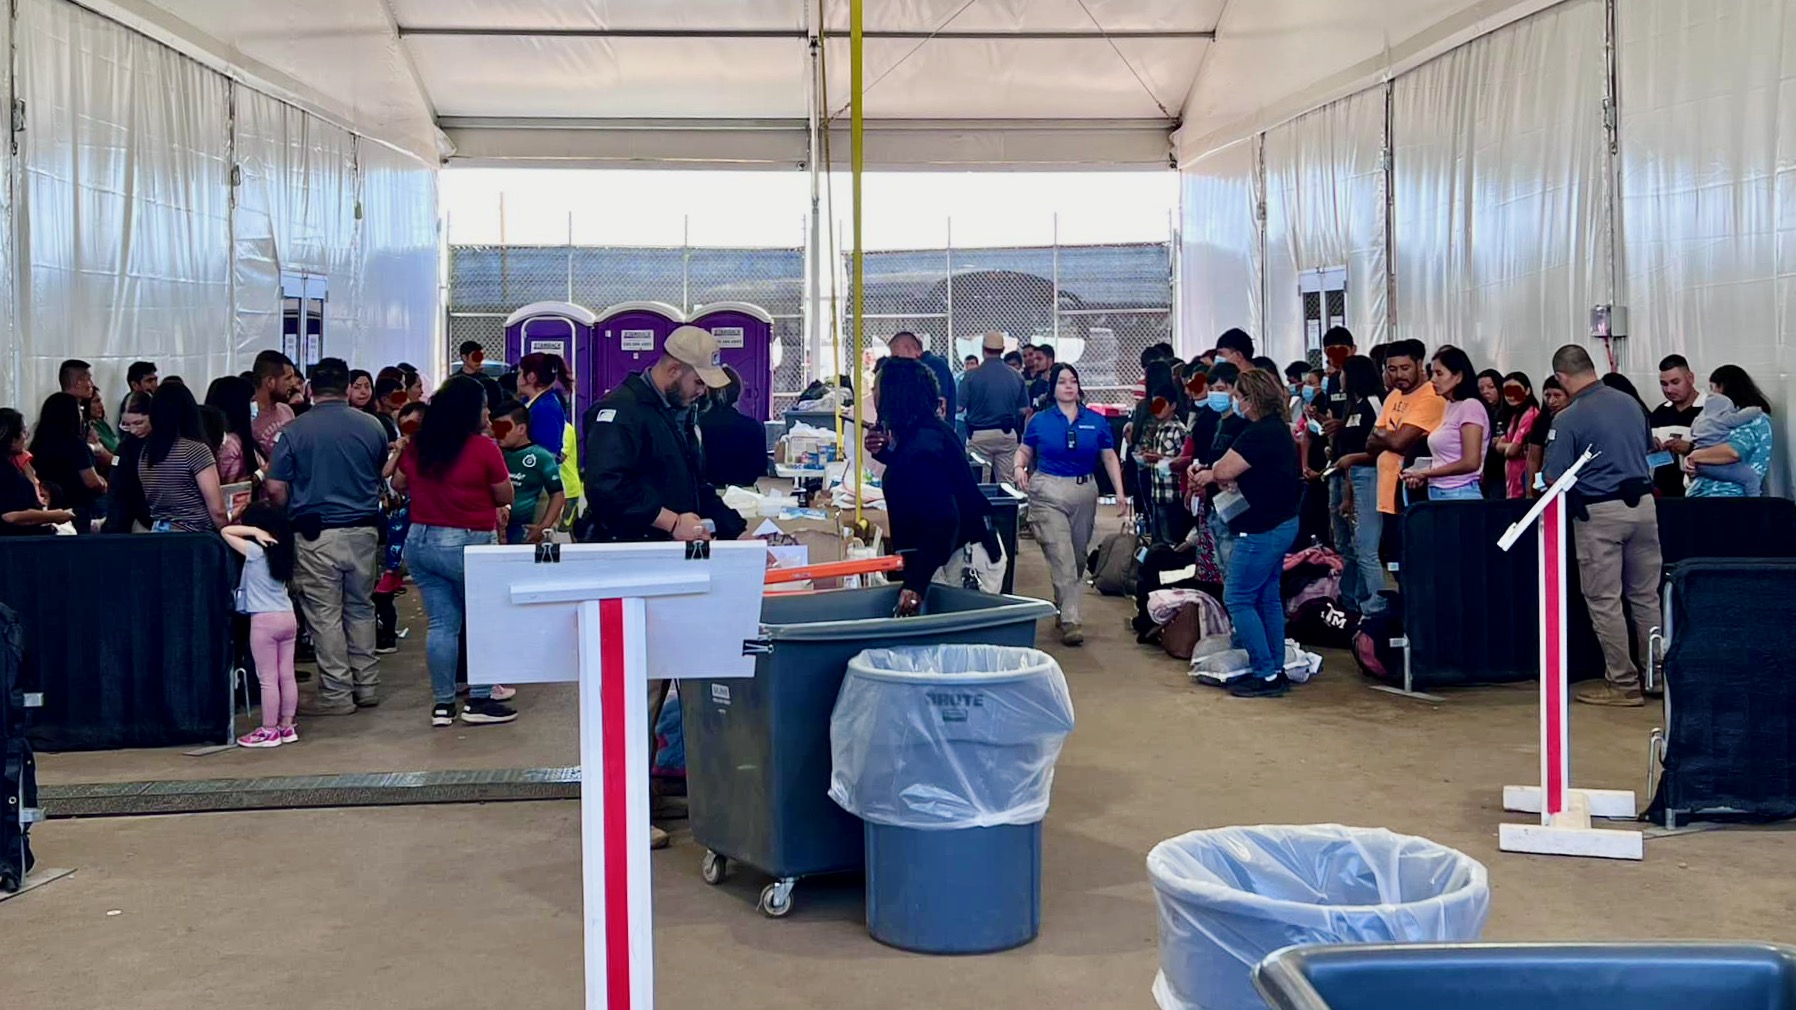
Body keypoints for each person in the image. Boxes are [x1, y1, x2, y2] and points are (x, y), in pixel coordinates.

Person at [264, 358, 390, 716]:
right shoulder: (373, 427)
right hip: (364, 530)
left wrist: (290, 509)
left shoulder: (295, 431)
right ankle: (367, 686)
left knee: (325, 615)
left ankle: (338, 694)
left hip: (315, 532)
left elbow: (275, 486)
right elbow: (378, 469)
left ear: (310, 389)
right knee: (361, 608)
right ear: (348, 387)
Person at [394, 376, 518, 727]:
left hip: (421, 541)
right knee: (480, 621)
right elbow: (505, 496)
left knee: (441, 624)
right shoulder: (482, 448)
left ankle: (443, 705)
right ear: (468, 411)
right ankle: (479, 700)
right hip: (469, 543)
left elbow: (398, 484)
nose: (488, 412)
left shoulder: (420, 446)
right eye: (483, 406)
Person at [1543, 344, 1659, 707]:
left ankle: (1623, 684)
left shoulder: (1568, 417)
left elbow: (1553, 476)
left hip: (1601, 514)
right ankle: (1657, 676)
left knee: (1605, 600)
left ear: (1562, 377)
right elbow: (1647, 450)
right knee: (1646, 597)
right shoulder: (1630, 403)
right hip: (1644, 507)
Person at [1192, 368, 1303, 698]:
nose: (1235, 402)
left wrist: (1209, 475)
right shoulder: (1274, 430)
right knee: (1267, 596)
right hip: (1281, 523)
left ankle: (1264, 671)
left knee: (1238, 596)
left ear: (1251, 399)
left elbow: (1225, 468)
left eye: (1238, 396)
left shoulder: (1258, 433)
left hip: (1262, 528)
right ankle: (1274, 668)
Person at [582, 325, 746, 544]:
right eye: (698, 382)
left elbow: (695, 486)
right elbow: (606, 488)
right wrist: (673, 522)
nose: (702, 391)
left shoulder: (675, 413)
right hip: (626, 549)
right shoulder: (620, 412)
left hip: (667, 546)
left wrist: (738, 532)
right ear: (673, 370)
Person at [870, 357, 1004, 609]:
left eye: (876, 389)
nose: (873, 396)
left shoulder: (922, 446)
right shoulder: (927, 432)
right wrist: (886, 453)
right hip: (956, 552)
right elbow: (920, 483)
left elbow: (943, 520)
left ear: (893, 396)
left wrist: (915, 585)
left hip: (962, 561)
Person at [1014, 362, 1128, 647]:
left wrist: (1120, 493)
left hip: (1084, 490)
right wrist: (1019, 467)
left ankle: (1063, 601)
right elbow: (1025, 450)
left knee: (1076, 559)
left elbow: (1110, 457)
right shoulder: (1040, 421)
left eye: (1073, 381)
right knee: (1062, 555)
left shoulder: (1096, 421)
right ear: (1053, 388)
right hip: (1048, 490)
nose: (1068, 386)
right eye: (1062, 381)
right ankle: (1071, 620)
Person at [222, 503, 302, 749]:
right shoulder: (284, 550)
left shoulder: (256, 551)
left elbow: (226, 532)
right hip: (287, 616)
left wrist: (252, 531)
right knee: (286, 675)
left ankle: (268, 730)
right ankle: (287, 726)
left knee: (268, 678)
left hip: (263, 620)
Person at [1326, 355, 1386, 614]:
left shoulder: (1373, 404)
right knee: (1350, 546)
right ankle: (1354, 599)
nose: (1339, 377)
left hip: (1368, 476)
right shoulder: (1354, 405)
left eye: (1343, 371)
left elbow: (1382, 445)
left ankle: (1375, 605)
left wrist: (1351, 459)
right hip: (1349, 477)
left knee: (1366, 548)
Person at [1366, 339, 1445, 517]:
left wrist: (1385, 435)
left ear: (1419, 365)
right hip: (1387, 497)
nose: (1399, 375)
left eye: (1405, 368)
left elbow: (1399, 443)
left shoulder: (1431, 395)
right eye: (1392, 369)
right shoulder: (1393, 395)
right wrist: (1392, 438)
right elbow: (1369, 444)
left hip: (1412, 490)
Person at [374, 399, 426, 653]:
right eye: (405, 427)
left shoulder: (435, 450)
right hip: (403, 521)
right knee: (387, 575)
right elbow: (389, 477)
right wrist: (399, 451)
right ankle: (386, 629)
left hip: (427, 520)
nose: (410, 432)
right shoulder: (406, 451)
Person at [139, 382, 226, 532]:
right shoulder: (195, 451)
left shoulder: (147, 453)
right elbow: (217, 510)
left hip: (158, 534)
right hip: (194, 539)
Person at [1402, 346, 1486, 501]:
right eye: (1432, 373)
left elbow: (1471, 462)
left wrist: (1425, 473)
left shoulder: (1470, 406)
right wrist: (1420, 472)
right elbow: (1447, 458)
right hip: (1438, 491)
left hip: (1459, 493)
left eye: (1439, 373)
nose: (1433, 379)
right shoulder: (1450, 405)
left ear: (1458, 376)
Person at [1686, 365, 1776, 498]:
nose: (1711, 395)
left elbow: (1733, 452)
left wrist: (1694, 455)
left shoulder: (1754, 419)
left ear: (1724, 387)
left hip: (1731, 500)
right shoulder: (1721, 418)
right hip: (1702, 496)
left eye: (1713, 388)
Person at [962, 331, 1031, 489]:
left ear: (983, 349)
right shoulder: (1015, 376)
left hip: (978, 435)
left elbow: (960, 406)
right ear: (1002, 350)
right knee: (1007, 484)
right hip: (1007, 435)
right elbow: (1024, 409)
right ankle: (1008, 512)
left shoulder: (971, 376)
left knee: (979, 484)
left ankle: (981, 513)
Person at [29, 392, 104, 533]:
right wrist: (104, 483)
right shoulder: (75, 444)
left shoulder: (38, 443)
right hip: (77, 509)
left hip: (49, 510)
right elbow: (92, 481)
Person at [495, 399, 566, 545]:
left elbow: (558, 495)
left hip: (523, 530)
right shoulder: (494, 453)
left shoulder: (541, 457)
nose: (498, 433)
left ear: (521, 429)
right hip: (494, 529)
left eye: (504, 427)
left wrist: (544, 526)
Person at [696, 364, 772, 489]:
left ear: (707, 391)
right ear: (738, 393)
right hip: (745, 493)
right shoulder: (753, 427)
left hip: (706, 494)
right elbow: (761, 467)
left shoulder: (697, 426)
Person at [0, 409, 73, 535]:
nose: (27, 436)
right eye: (23, 431)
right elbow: (11, 516)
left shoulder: (13, 465)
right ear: (11, 438)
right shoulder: (5, 470)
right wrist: (53, 515)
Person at [1136, 385, 1190, 547]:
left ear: (1173, 406)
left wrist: (1159, 458)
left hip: (1172, 494)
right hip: (1158, 492)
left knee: (1171, 541)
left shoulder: (1178, 429)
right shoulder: (1159, 428)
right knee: (1158, 540)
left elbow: (1184, 459)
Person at [1650, 354, 1704, 498]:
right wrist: (1650, 448)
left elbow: (1726, 454)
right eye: (1664, 384)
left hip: (1699, 495)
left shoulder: (1709, 410)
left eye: (1675, 382)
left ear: (1690, 378)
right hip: (1663, 495)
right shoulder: (1659, 413)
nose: (1669, 389)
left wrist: (1689, 449)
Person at [887, 331, 958, 423]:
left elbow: (940, 405)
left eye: (896, 356)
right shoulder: (915, 368)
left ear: (908, 349)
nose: (895, 361)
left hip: (933, 432)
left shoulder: (933, 365)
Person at [204, 375, 262, 486]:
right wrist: (262, 473)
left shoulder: (241, 437)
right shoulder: (230, 444)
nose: (255, 405)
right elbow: (231, 488)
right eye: (251, 400)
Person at [1491, 372, 1541, 500]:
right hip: (1512, 484)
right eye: (1507, 391)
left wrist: (1502, 445)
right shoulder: (1515, 414)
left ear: (1527, 390)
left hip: (1524, 483)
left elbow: (1511, 451)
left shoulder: (1531, 415)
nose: (1511, 395)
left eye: (1516, 390)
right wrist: (1506, 445)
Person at [516, 352, 568, 462]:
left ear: (531, 377)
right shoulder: (532, 403)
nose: (517, 378)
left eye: (519, 373)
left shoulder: (546, 409)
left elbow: (546, 453)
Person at [250, 350, 298, 458]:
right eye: (288, 378)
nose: (293, 383)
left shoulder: (287, 410)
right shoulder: (248, 414)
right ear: (270, 381)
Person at [1525, 376, 1568, 496]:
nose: (1551, 401)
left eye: (1557, 395)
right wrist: (1530, 490)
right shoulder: (1541, 422)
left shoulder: (1577, 420)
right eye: (1547, 395)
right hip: (1545, 484)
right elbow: (1533, 459)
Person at [456, 341, 504, 412]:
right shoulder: (454, 383)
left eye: (480, 356)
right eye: (475, 357)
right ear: (464, 358)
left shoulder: (489, 383)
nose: (479, 361)